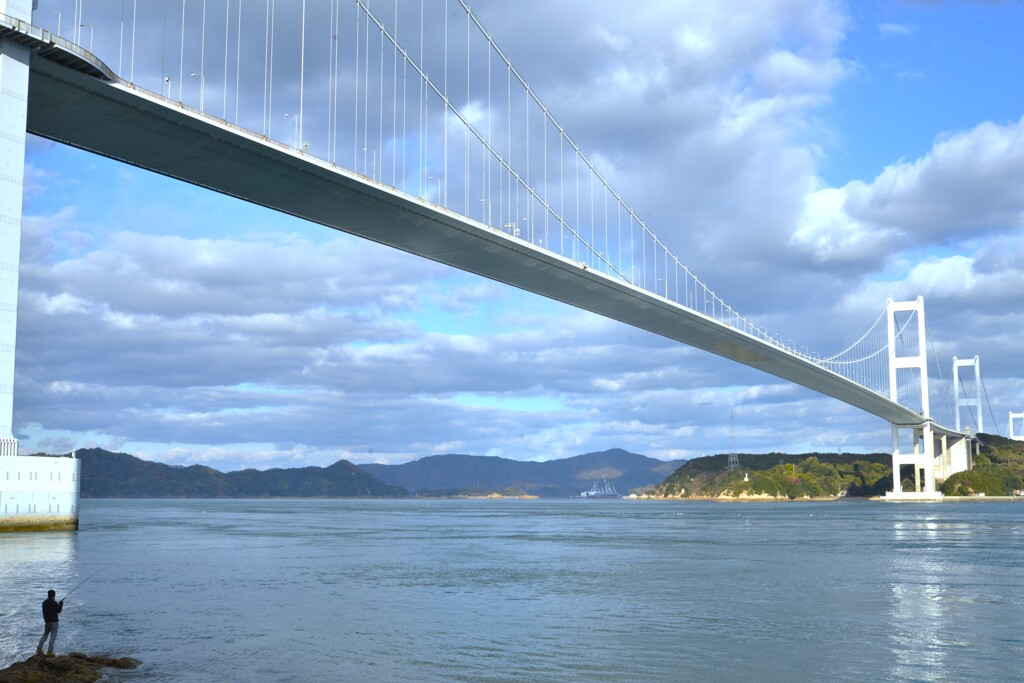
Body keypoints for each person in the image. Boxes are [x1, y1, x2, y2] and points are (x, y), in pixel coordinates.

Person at [36, 589, 63, 656]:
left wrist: (57, 604)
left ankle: (39, 649)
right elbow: (58, 611)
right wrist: (61, 604)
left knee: (45, 635)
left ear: (48, 595)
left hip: (47, 622)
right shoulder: (55, 603)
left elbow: (46, 611)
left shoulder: (45, 602)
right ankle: (50, 652)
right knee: (53, 637)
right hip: (54, 622)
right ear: (54, 595)